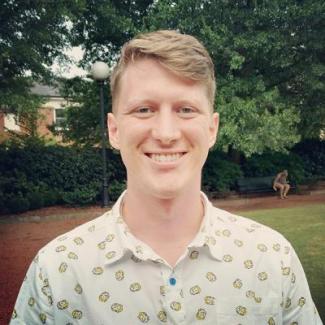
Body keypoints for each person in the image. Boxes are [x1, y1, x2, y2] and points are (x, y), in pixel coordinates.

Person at [11, 30, 322, 324]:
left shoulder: (272, 259)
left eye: (186, 110)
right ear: (114, 130)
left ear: (211, 129)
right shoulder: (56, 272)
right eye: (144, 109)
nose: (166, 134)